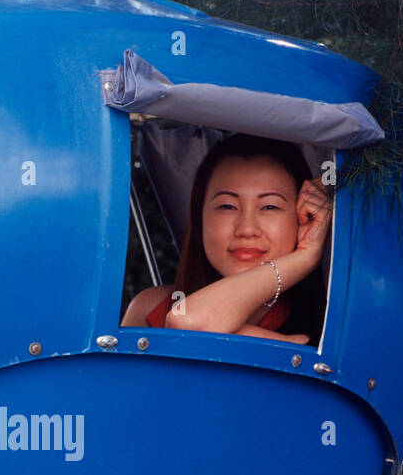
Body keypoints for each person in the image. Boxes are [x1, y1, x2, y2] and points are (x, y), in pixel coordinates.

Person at [122, 133, 331, 344]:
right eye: (227, 206)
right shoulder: (151, 307)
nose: (247, 229)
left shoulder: (329, 323)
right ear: (199, 216)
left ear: (302, 217)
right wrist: (306, 257)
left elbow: (191, 324)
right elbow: (189, 323)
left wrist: (308, 253)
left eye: (269, 207)